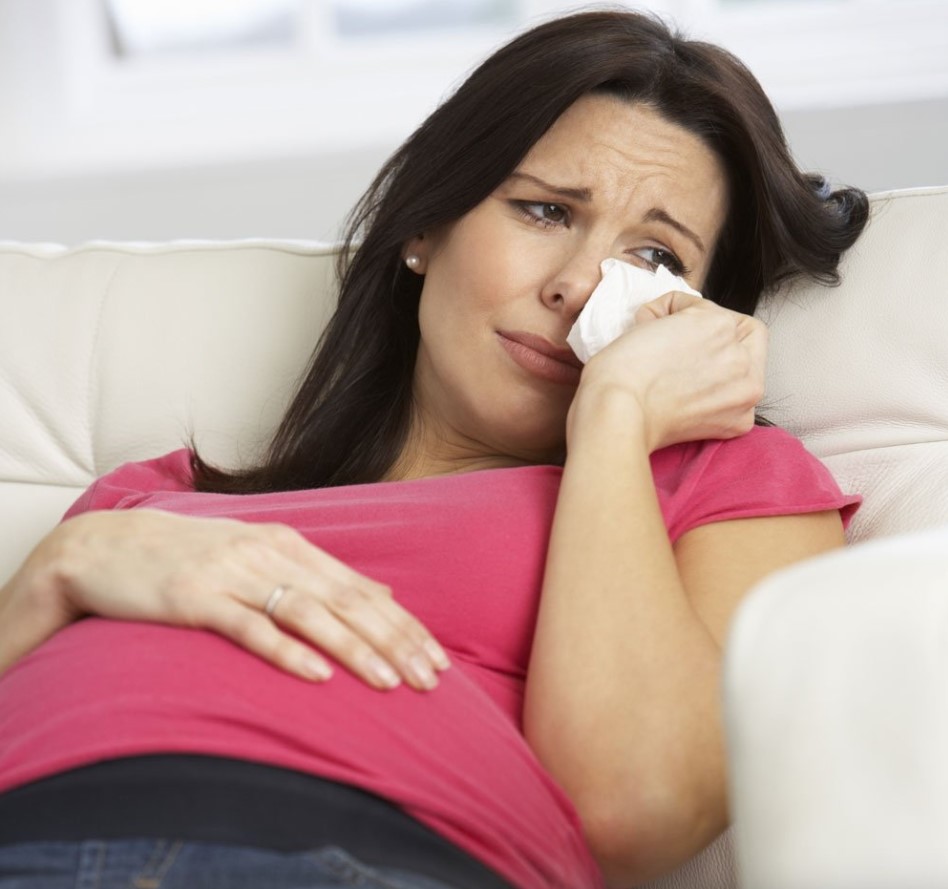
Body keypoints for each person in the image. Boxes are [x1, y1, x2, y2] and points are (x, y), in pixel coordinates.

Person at [0, 9, 867, 889]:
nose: (577, 286)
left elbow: (633, 807)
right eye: (545, 210)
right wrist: (57, 568)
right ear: (425, 224)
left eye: (654, 257)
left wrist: (613, 416)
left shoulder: (728, 480)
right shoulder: (148, 503)